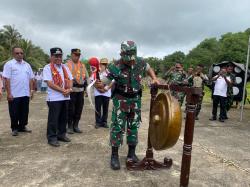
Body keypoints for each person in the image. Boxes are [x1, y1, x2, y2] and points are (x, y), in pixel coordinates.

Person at [96, 41, 159, 170]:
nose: (131, 62)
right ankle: (114, 156)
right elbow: (103, 82)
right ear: (122, 54)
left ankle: (131, 154)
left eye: (132, 59)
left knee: (133, 127)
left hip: (135, 101)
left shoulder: (141, 62)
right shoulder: (115, 66)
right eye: (128, 59)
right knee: (117, 128)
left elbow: (149, 68)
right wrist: (100, 86)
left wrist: (154, 78)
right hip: (121, 100)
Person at [43, 47, 73, 147]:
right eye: (56, 56)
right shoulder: (47, 67)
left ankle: (61, 135)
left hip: (65, 97)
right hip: (54, 98)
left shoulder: (65, 67)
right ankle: (51, 138)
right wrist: (63, 90)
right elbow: (50, 83)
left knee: (64, 118)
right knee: (53, 119)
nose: (58, 58)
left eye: (60, 56)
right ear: (51, 56)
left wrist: (69, 89)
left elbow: (71, 79)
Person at [2, 46, 34, 136]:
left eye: (21, 53)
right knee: (14, 112)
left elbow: (31, 78)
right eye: (17, 53)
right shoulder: (9, 64)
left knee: (24, 111)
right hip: (14, 94)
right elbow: (7, 79)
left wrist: (31, 90)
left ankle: (22, 126)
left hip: (25, 93)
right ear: (13, 54)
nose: (20, 55)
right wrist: (9, 93)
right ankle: (15, 128)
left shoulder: (27, 65)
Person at [66, 49, 88, 134]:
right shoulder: (67, 65)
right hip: (72, 90)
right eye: (75, 54)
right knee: (71, 109)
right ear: (71, 54)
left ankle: (76, 125)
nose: (77, 56)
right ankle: (70, 126)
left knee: (79, 109)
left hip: (81, 90)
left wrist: (88, 89)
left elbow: (87, 76)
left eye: (78, 55)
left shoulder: (82, 65)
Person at [93, 58, 113, 129]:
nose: (104, 65)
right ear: (100, 64)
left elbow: (112, 82)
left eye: (105, 64)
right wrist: (99, 89)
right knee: (97, 109)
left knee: (105, 109)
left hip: (106, 93)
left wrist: (105, 89)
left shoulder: (109, 73)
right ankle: (98, 122)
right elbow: (92, 82)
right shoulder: (96, 72)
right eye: (102, 64)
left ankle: (104, 122)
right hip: (98, 93)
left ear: (107, 65)